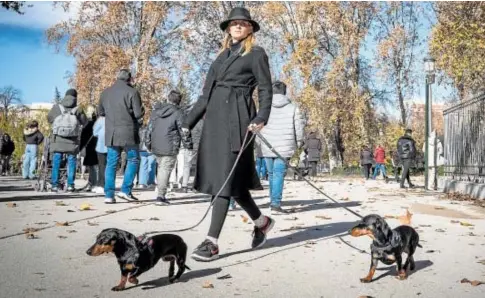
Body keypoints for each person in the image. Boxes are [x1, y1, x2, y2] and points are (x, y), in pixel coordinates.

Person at [182, 7, 275, 262]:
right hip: (214, 122)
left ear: (250, 28)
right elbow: (204, 96)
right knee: (230, 181)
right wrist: (185, 123)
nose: (237, 26)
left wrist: (261, 117)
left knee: (224, 177)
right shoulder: (220, 57)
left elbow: (265, 89)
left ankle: (211, 242)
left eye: (242, 23)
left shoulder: (256, 54)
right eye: (233, 23)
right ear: (228, 28)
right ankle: (262, 222)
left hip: (239, 119)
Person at [98, 69, 145, 203]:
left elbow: (100, 112)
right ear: (129, 79)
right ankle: (125, 190)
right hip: (128, 132)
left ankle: (109, 195)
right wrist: (141, 111)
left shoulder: (105, 92)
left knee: (111, 163)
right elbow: (138, 114)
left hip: (111, 132)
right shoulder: (133, 92)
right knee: (133, 159)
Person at [258, 80, 305, 214]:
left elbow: (257, 125)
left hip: (268, 145)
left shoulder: (264, 108)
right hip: (285, 146)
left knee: (272, 174)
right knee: (278, 174)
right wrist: (300, 142)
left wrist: (258, 143)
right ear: (284, 92)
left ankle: (273, 201)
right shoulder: (293, 108)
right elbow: (299, 127)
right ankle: (275, 204)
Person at [146, 90, 192, 205]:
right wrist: (188, 144)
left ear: (168, 98)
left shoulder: (156, 112)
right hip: (170, 144)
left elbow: (149, 128)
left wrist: (148, 143)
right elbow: (183, 130)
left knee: (161, 167)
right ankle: (161, 196)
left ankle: (160, 191)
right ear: (179, 101)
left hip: (156, 144)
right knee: (165, 169)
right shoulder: (179, 113)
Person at [47, 89, 87, 192]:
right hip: (72, 141)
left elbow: (49, 119)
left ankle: (55, 185)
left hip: (58, 139)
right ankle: (70, 185)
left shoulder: (57, 107)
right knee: (72, 161)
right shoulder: (78, 109)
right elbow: (85, 122)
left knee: (56, 161)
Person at [79, 105, 98, 191]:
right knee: (95, 166)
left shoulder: (87, 124)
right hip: (97, 146)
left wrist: (80, 148)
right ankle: (93, 183)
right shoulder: (98, 122)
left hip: (90, 146)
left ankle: (92, 183)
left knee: (92, 167)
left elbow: (83, 137)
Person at [92, 111, 107, 194]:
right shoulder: (114, 118)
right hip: (113, 145)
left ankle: (101, 185)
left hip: (101, 146)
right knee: (111, 166)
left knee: (102, 166)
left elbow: (95, 133)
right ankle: (108, 184)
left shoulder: (100, 120)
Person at [137, 124, 156, 189]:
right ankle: (150, 182)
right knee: (151, 165)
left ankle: (142, 183)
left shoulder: (140, 127)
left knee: (143, 165)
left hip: (141, 148)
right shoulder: (153, 126)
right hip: (150, 148)